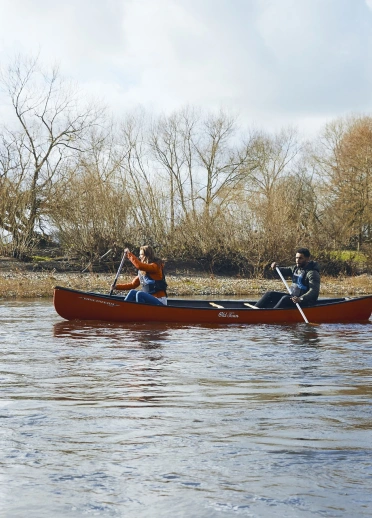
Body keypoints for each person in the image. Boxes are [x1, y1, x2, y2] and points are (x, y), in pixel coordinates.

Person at [255, 248, 320, 309]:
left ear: (307, 259)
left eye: (300, 258)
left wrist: (300, 299)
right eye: (296, 258)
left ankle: (271, 314)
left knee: (285, 298)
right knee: (270, 294)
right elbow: (281, 271)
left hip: (304, 302)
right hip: (293, 298)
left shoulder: (312, 273)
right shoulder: (295, 268)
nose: (297, 260)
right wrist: (275, 267)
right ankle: (254, 310)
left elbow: (314, 291)